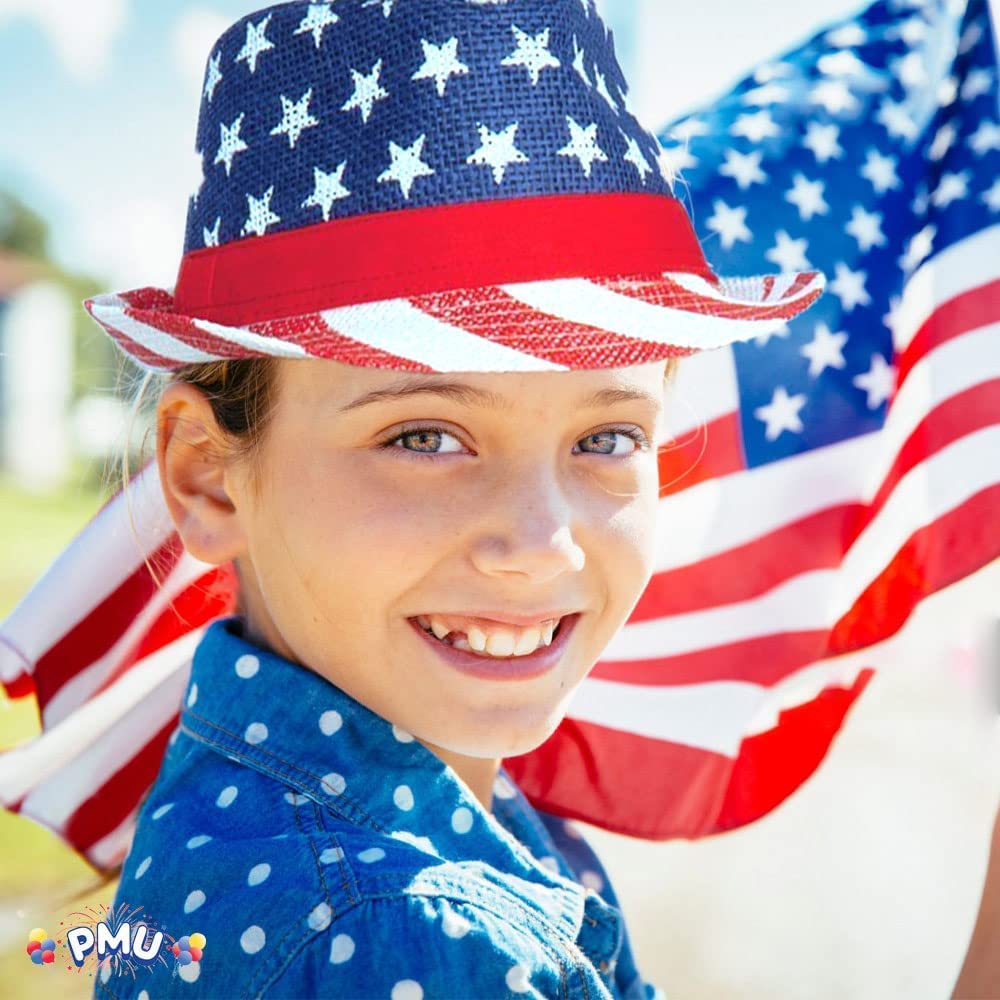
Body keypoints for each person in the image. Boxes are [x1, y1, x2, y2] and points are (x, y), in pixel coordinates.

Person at [80, 0, 825, 996]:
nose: (540, 543)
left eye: (606, 437)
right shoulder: (406, 930)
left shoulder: (313, 812)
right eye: (424, 435)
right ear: (207, 475)